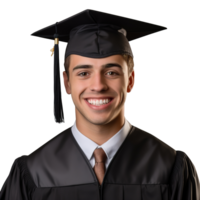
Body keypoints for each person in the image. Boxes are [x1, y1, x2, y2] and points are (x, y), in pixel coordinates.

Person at [0, 9, 199, 200]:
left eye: (111, 72)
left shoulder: (170, 167)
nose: (98, 86)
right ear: (67, 82)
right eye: (83, 73)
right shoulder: (33, 172)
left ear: (129, 80)